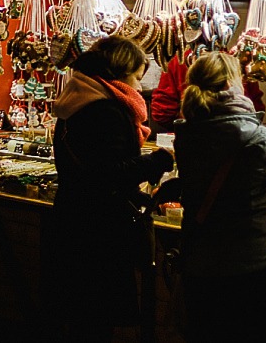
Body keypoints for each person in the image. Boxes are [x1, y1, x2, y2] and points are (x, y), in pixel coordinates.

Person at [49, 35, 174, 343]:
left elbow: (90, 169)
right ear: (118, 74)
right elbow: (109, 173)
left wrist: (141, 195)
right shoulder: (104, 111)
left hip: (72, 218)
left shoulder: (76, 100)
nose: (139, 87)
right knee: (95, 318)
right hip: (98, 230)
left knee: (81, 317)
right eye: (135, 77)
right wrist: (159, 161)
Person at [172, 51, 266, 343]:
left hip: (199, 258)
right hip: (250, 261)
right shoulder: (259, 137)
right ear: (232, 83)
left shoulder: (186, 134)